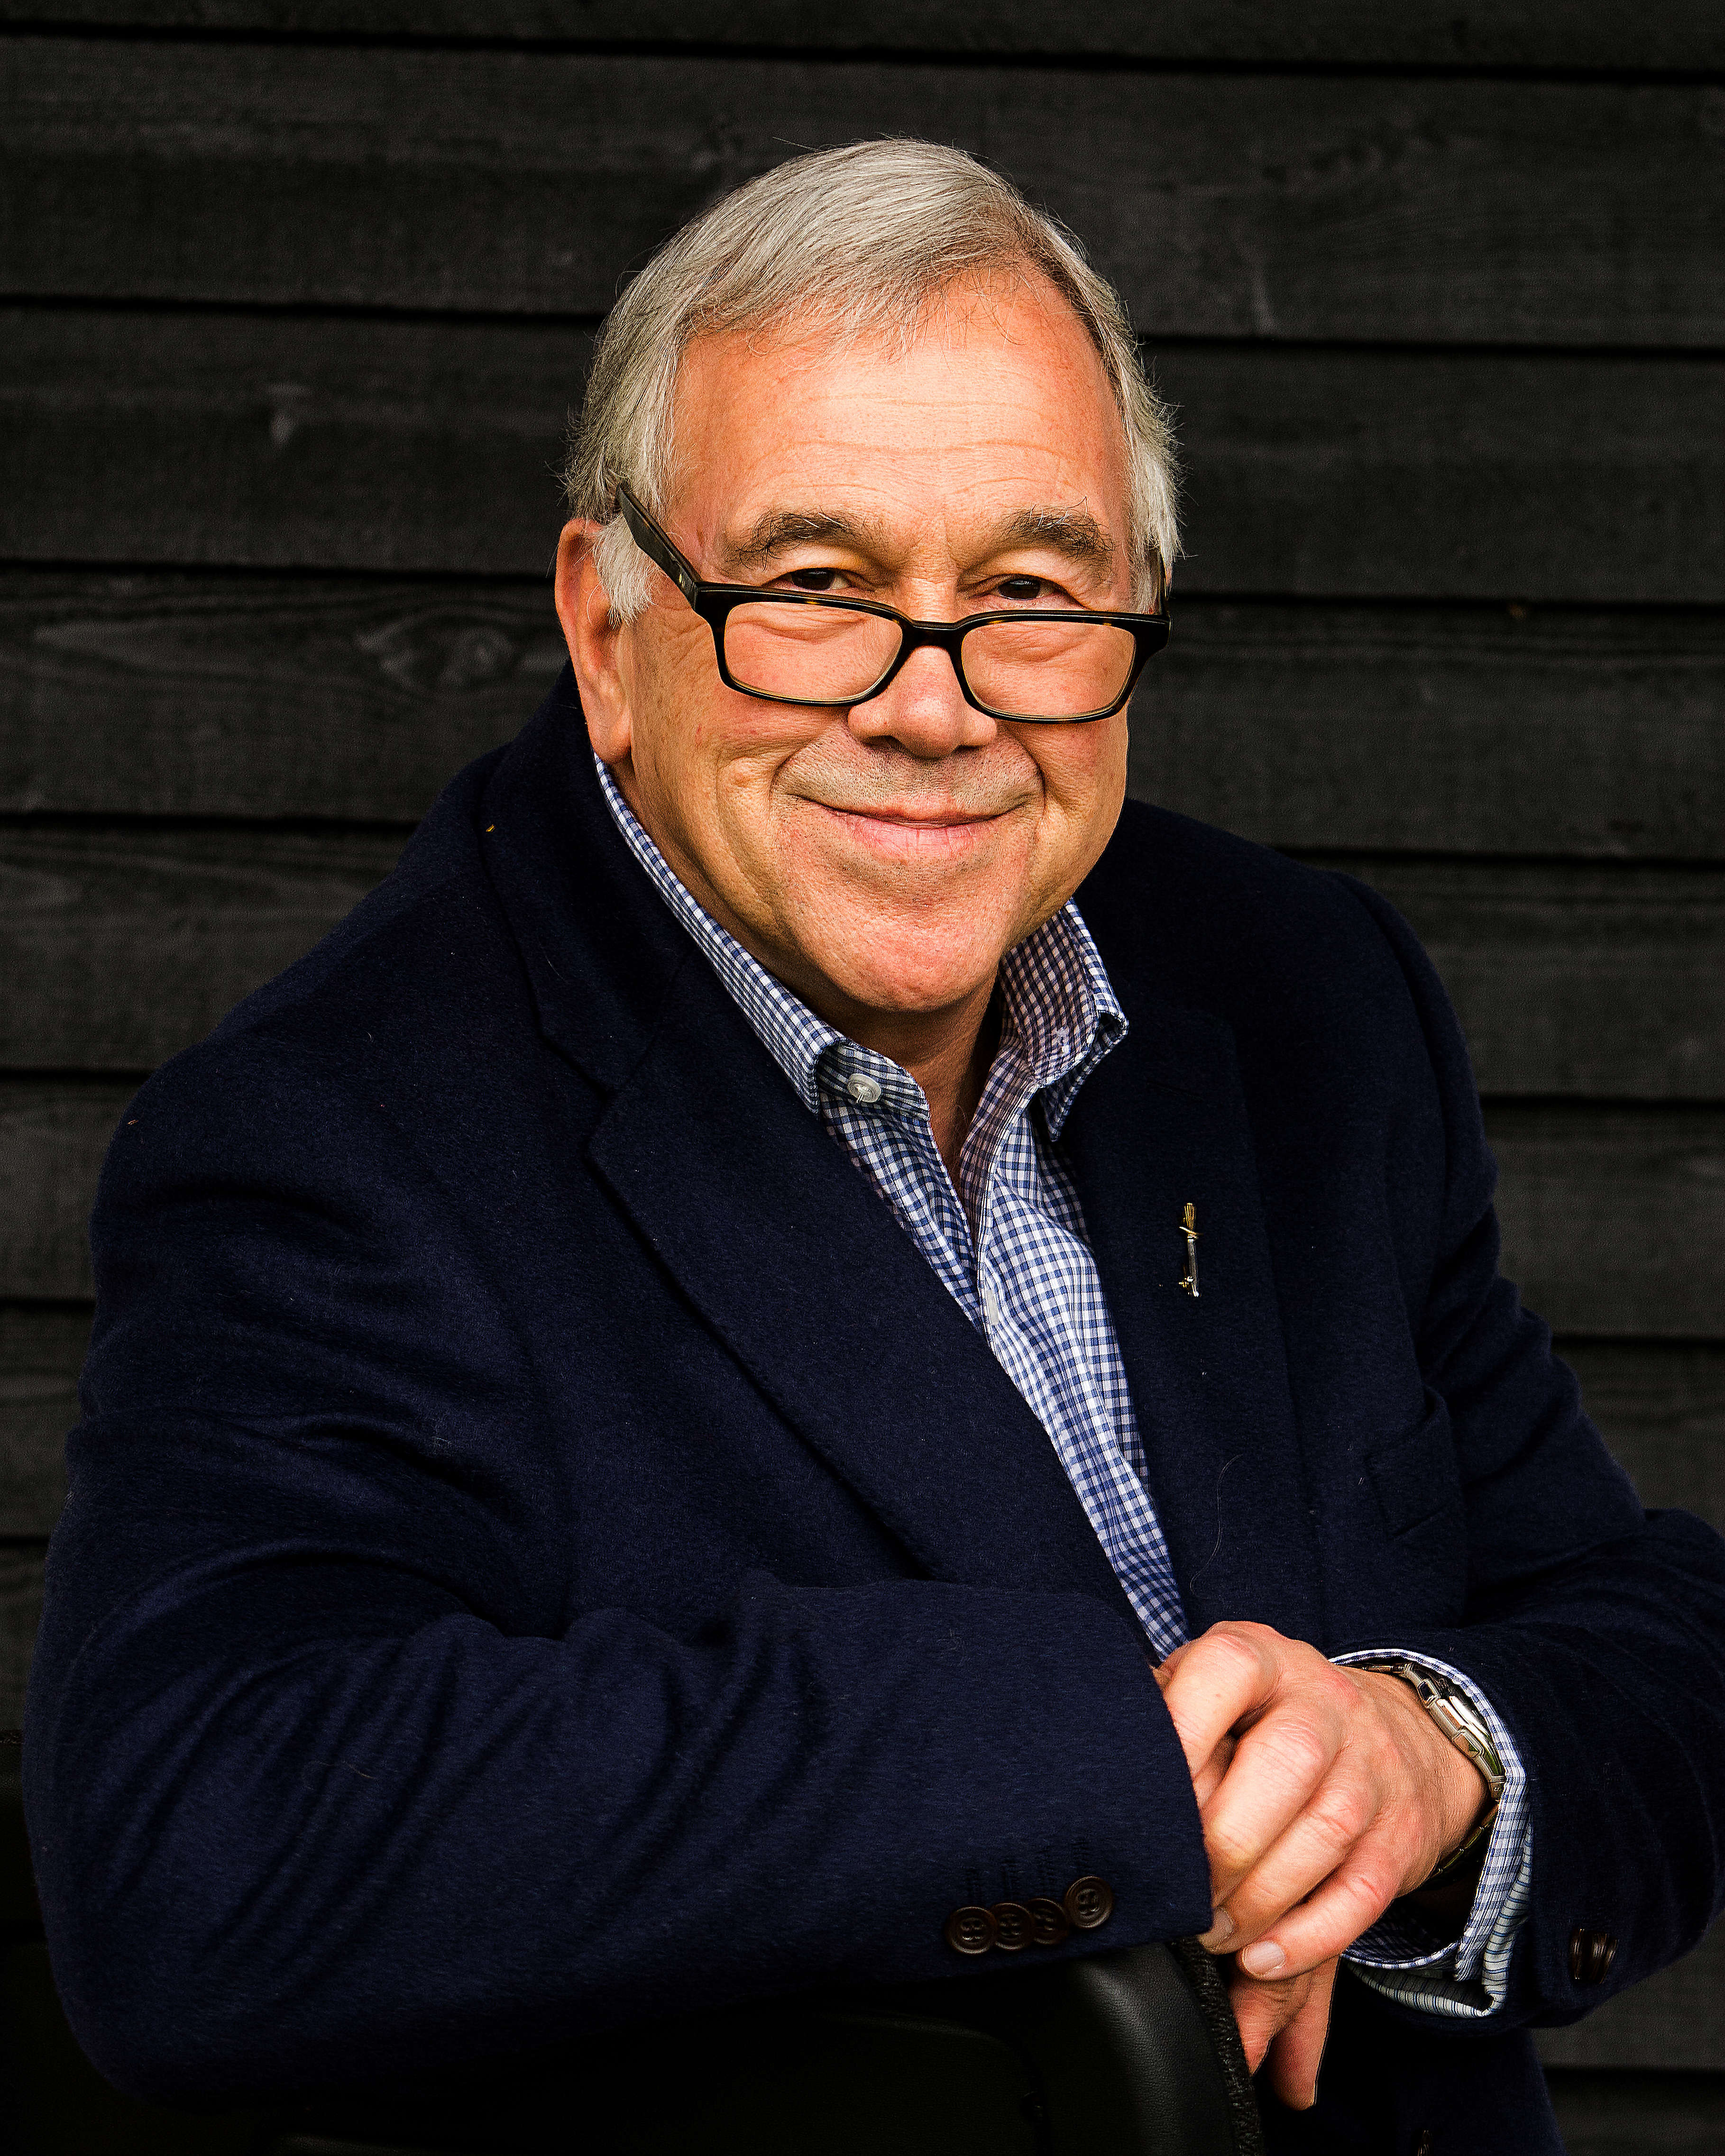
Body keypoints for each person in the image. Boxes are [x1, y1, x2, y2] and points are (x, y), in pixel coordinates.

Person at [24, 142, 1725, 2154]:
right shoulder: (336, 1134)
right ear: (604, 627)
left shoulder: (1306, 1004)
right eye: (818, 591)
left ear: (1136, 611)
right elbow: (209, 1866)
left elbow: (1646, 1636)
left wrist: (1437, 1748)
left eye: (1025, 592)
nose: (934, 709)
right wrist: (1108, 1753)